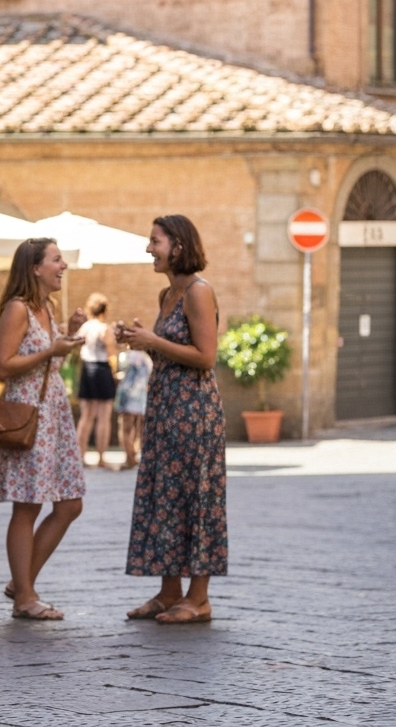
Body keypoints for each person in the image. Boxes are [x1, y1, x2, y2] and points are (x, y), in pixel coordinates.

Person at [117, 214, 227, 624]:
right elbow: (169, 352)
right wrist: (141, 342)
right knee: (164, 496)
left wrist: (154, 340)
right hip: (165, 409)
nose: (149, 248)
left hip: (195, 413)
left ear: (177, 246)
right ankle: (168, 592)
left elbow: (205, 357)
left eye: (155, 241)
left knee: (196, 498)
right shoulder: (169, 294)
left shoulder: (199, 291)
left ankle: (198, 599)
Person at [0, 238, 86, 620]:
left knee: (70, 503)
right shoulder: (18, 309)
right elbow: (3, 365)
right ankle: (25, 597)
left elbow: (46, 358)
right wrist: (52, 351)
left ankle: (22, 579)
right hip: (27, 414)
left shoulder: (46, 307)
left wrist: (68, 332)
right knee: (27, 505)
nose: (63, 265)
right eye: (57, 259)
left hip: (53, 415)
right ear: (35, 268)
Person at [75, 293, 118, 469]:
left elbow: (76, 345)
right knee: (104, 416)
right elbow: (111, 351)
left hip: (87, 368)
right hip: (101, 369)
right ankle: (101, 457)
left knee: (86, 416)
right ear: (104, 310)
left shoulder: (84, 327)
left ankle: (80, 456)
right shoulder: (103, 328)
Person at [113, 347, 152, 469]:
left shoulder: (125, 356)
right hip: (142, 393)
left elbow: (119, 373)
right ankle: (137, 454)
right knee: (141, 426)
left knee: (126, 427)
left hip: (127, 392)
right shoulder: (146, 357)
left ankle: (130, 457)